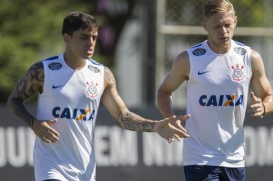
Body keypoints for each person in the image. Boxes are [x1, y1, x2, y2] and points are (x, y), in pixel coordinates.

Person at [7, 11, 189, 181]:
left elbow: (122, 116)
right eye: (84, 37)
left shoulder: (102, 74)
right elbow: (14, 100)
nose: (91, 42)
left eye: (94, 37)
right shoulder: (43, 70)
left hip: (84, 168)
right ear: (67, 38)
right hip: (51, 166)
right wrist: (34, 124)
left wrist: (155, 126)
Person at [157, 0, 273, 181]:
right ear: (204, 26)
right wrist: (169, 117)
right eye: (216, 27)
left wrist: (264, 107)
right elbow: (164, 91)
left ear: (235, 21)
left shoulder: (250, 58)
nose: (223, 31)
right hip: (199, 156)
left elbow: (269, 96)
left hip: (234, 156)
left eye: (227, 25)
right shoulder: (188, 59)